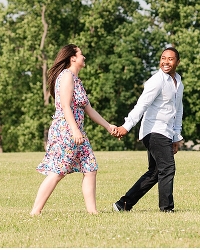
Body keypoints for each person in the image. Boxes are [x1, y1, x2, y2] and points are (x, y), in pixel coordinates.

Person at [30, 44, 117, 215]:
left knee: (90, 168)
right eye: (81, 54)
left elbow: (89, 109)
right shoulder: (66, 76)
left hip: (78, 131)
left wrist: (108, 126)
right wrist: (75, 130)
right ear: (73, 58)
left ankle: (92, 211)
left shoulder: (77, 80)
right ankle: (35, 211)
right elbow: (65, 106)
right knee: (58, 171)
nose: (84, 57)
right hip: (66, 130)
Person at [112, 47, 184, 213]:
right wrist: (126, 126)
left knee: (155, 172)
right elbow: (141, 105)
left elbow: (177, 111)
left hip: (166, 132)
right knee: (167, 168)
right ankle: (166, 209)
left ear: (177, 62)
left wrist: (175, 137)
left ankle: (123, 204)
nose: (165, 62)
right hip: (154, 131)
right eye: (163, 58)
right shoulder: (156, 81)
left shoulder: (178, 83)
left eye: (170, 59)